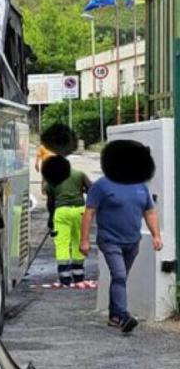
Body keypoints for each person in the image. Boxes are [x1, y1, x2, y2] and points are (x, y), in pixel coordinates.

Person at [79, 139, 162, 334]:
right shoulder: (101, 186)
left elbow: (149, 212)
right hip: (110, 240)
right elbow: (89, 212)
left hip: (132, 241)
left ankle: (114, 317)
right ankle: (123, 316)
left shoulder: (140, 186)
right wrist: (84, 240)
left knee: (120, 279)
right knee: (119, 275)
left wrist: (156, 235)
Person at [42, 155, 92, 288]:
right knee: (78, 240)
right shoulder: (79, 174)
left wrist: (51, 219)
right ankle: (79, 276)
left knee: (62, 243)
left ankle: (64, 278)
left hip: (62, 212)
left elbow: (50, 201)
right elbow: (92, 190)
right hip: (80, 211)